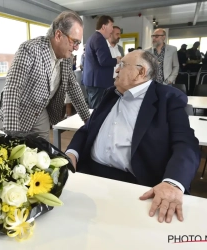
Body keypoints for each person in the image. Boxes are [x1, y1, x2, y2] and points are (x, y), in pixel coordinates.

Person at [66, 50, 200, 223]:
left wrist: (172, 183)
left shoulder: (167, 98)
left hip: (135, 184)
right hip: (88, 174)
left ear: (141, 72)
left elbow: (186, 144)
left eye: (122, 65)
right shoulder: (110, 94)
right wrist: (71, 154)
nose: (116, 70)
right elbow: (88, 129)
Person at [0, 11, 90, 141]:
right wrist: (12, 134)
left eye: (78, 43)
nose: (76, 48)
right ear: (58, 35)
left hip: (40, 109)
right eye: (74, 41)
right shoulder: (30, 49)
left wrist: (88, 121)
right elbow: (12, 89)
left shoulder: (66, 58)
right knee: (18, 152)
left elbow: (72, 87)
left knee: (42, 150)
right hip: (19, 109)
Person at [83, 15, 121, 109]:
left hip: (95, 82)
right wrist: (117, 60)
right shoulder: (99, 38)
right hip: (97, 83)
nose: (112, 29)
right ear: (104, 26)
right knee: (97, 111)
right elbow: (103, 61)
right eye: (111, 26)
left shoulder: (94, 37)